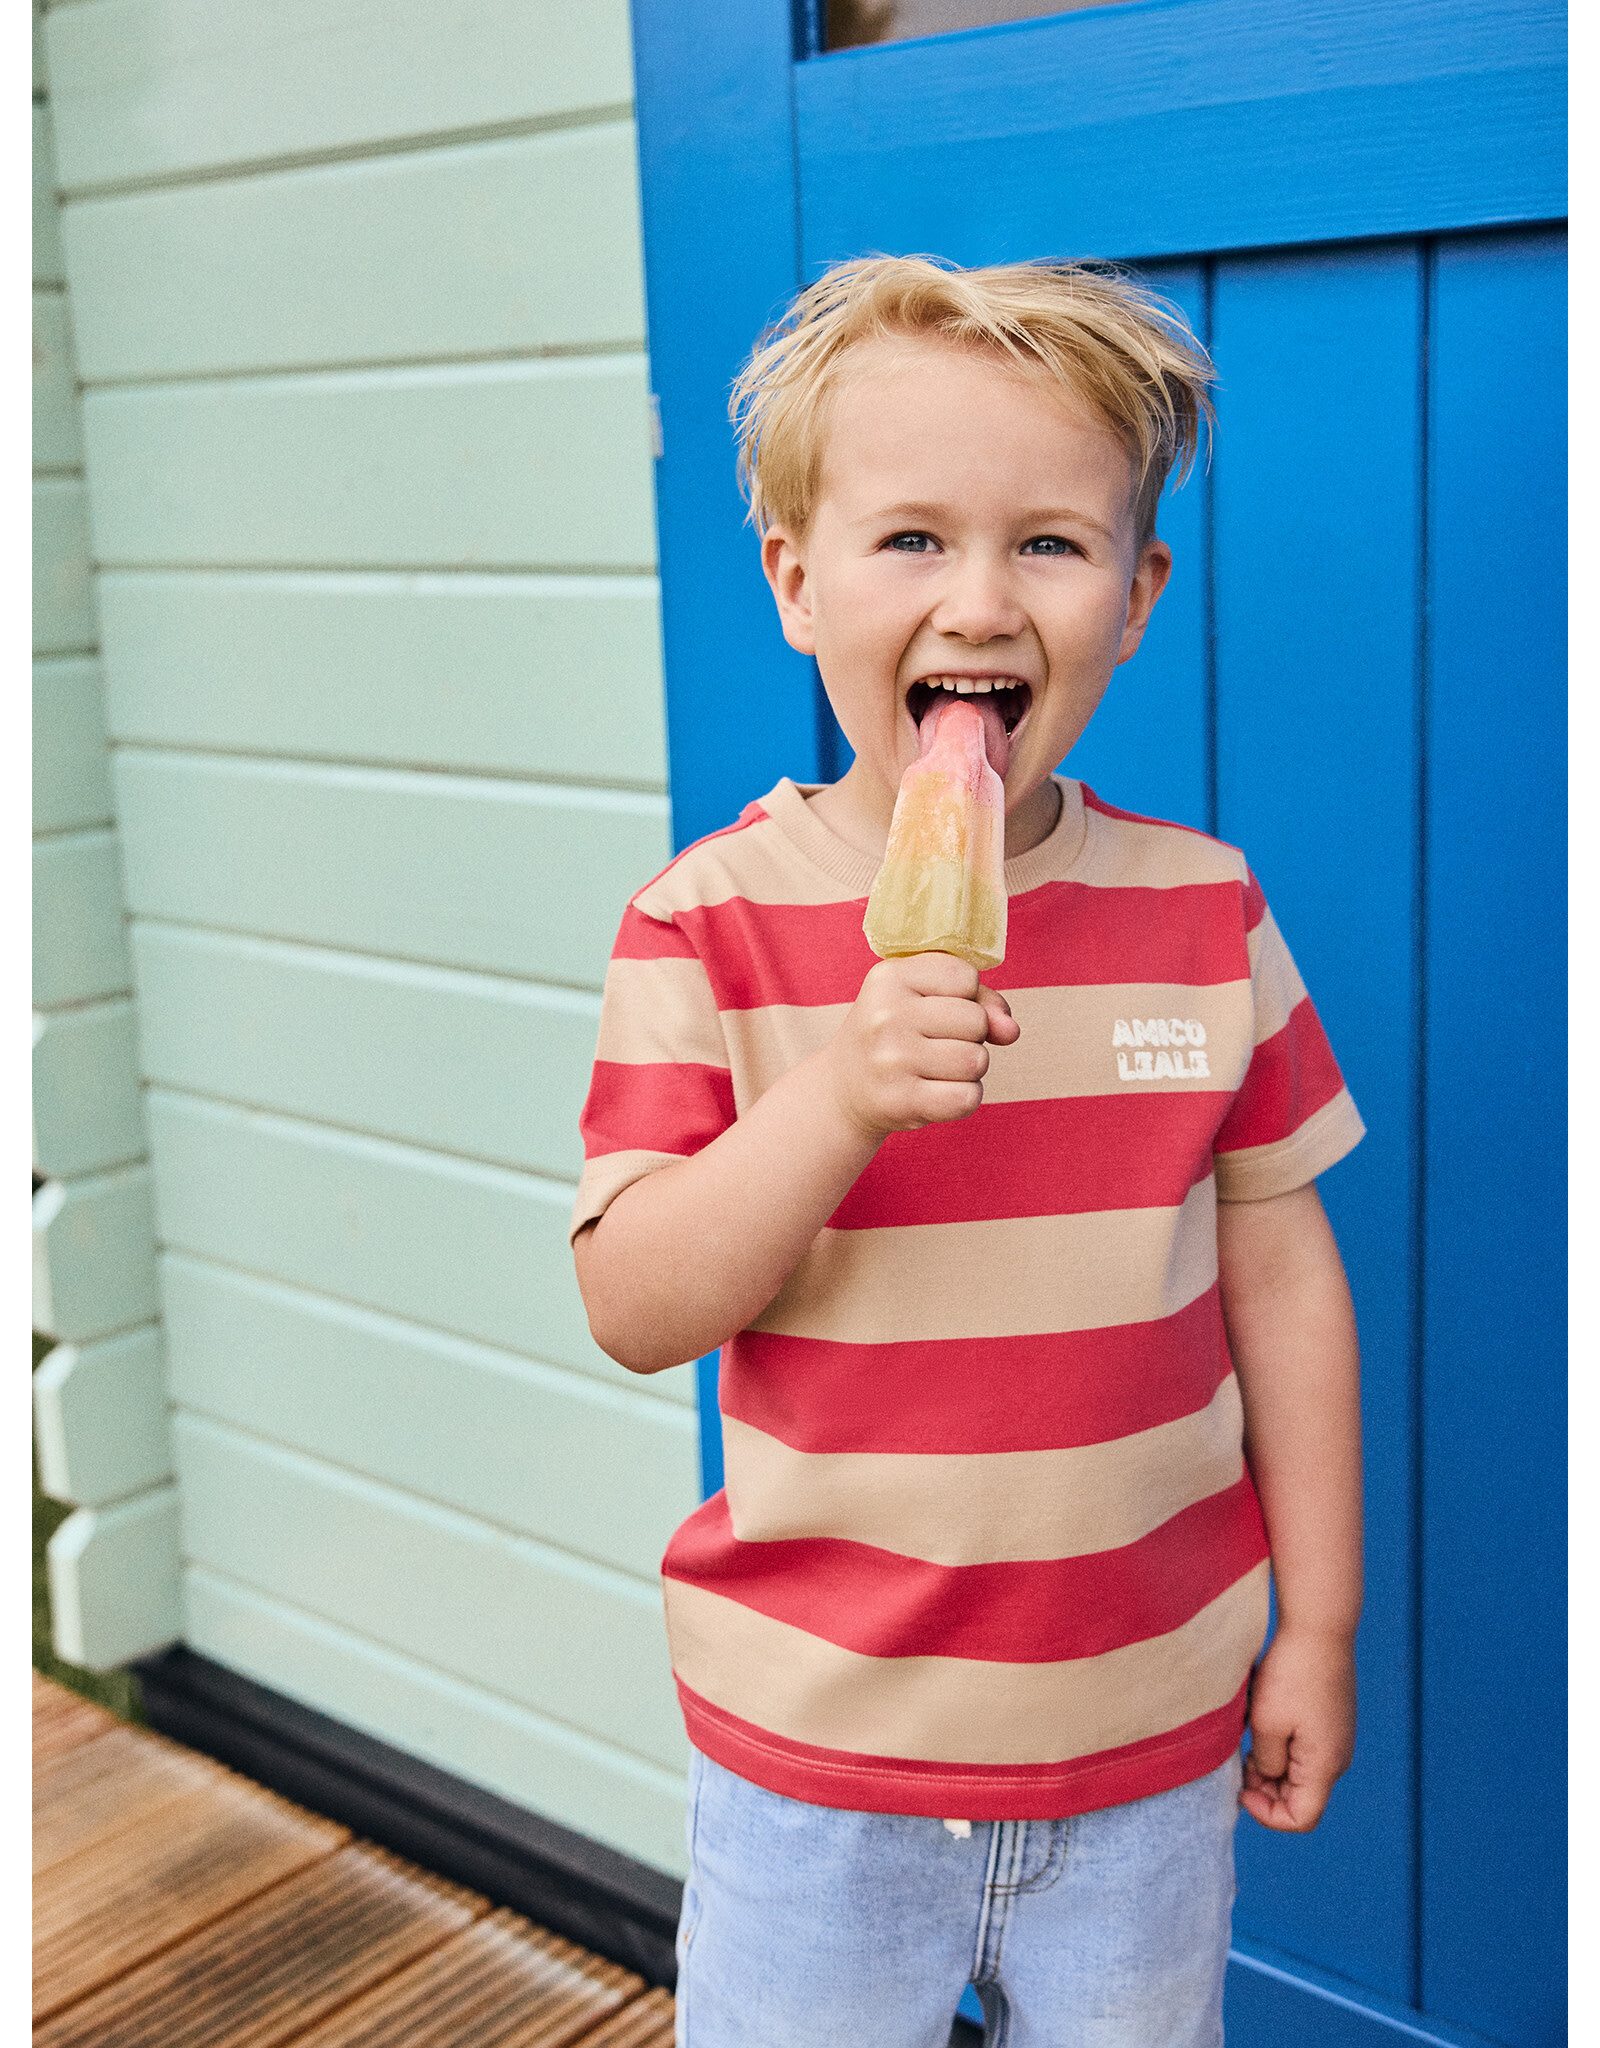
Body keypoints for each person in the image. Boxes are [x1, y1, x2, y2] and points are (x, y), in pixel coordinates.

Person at [570, 255, 1365, 2048]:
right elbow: (633, 1299)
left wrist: (1313, 1622)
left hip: (1149, 1749)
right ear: (794, 580)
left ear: (1140, 594)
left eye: (1052, 545)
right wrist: (839, 1095)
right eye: (911, 540)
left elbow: (1283, 1276)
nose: (982, 602)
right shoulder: (706, 926)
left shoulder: (1206, 913)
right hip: (823, 1761)